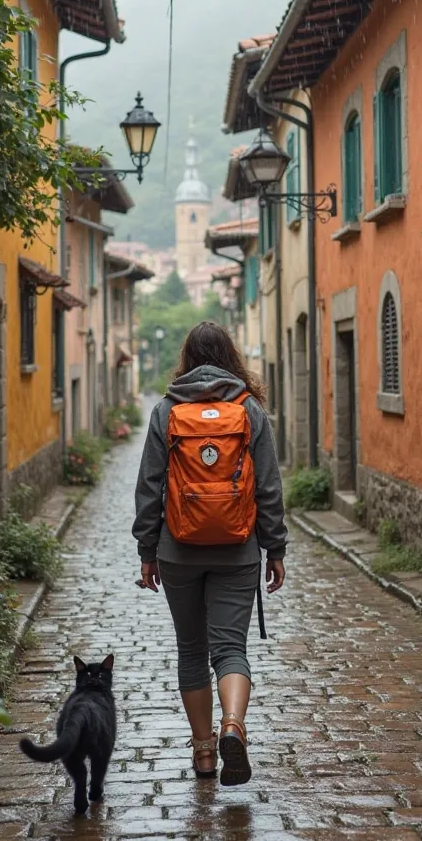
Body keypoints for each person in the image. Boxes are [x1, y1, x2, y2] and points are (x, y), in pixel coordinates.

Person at [132, 321, 287, 785]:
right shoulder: (249, 411)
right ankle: (233, 726)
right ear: (230, 357)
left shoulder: (165, 411)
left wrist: (147, 548)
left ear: (186, 359)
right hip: (238, 550)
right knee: (229, 648)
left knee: (191, 649)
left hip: (177, 549)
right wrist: (275, 548)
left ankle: (203, 754)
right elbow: (269, 488)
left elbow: (149, 487)